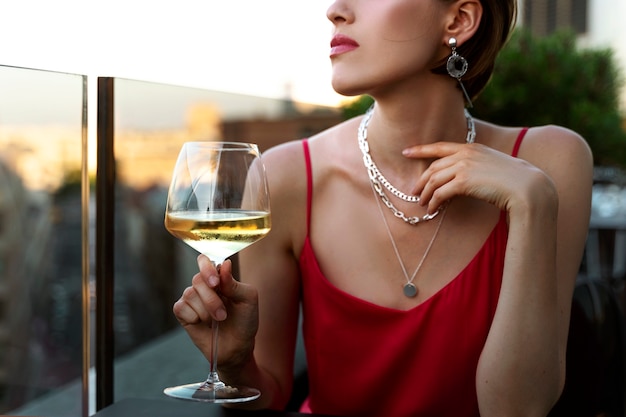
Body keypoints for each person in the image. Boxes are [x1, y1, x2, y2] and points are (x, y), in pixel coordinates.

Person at [173, 0, 593, 416]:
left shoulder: (548, 164)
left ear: (459, 19)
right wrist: (234, 362)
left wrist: (531, 204)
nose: (335, 10)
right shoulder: (284, 176)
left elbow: (518, 410)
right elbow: (270, 395)